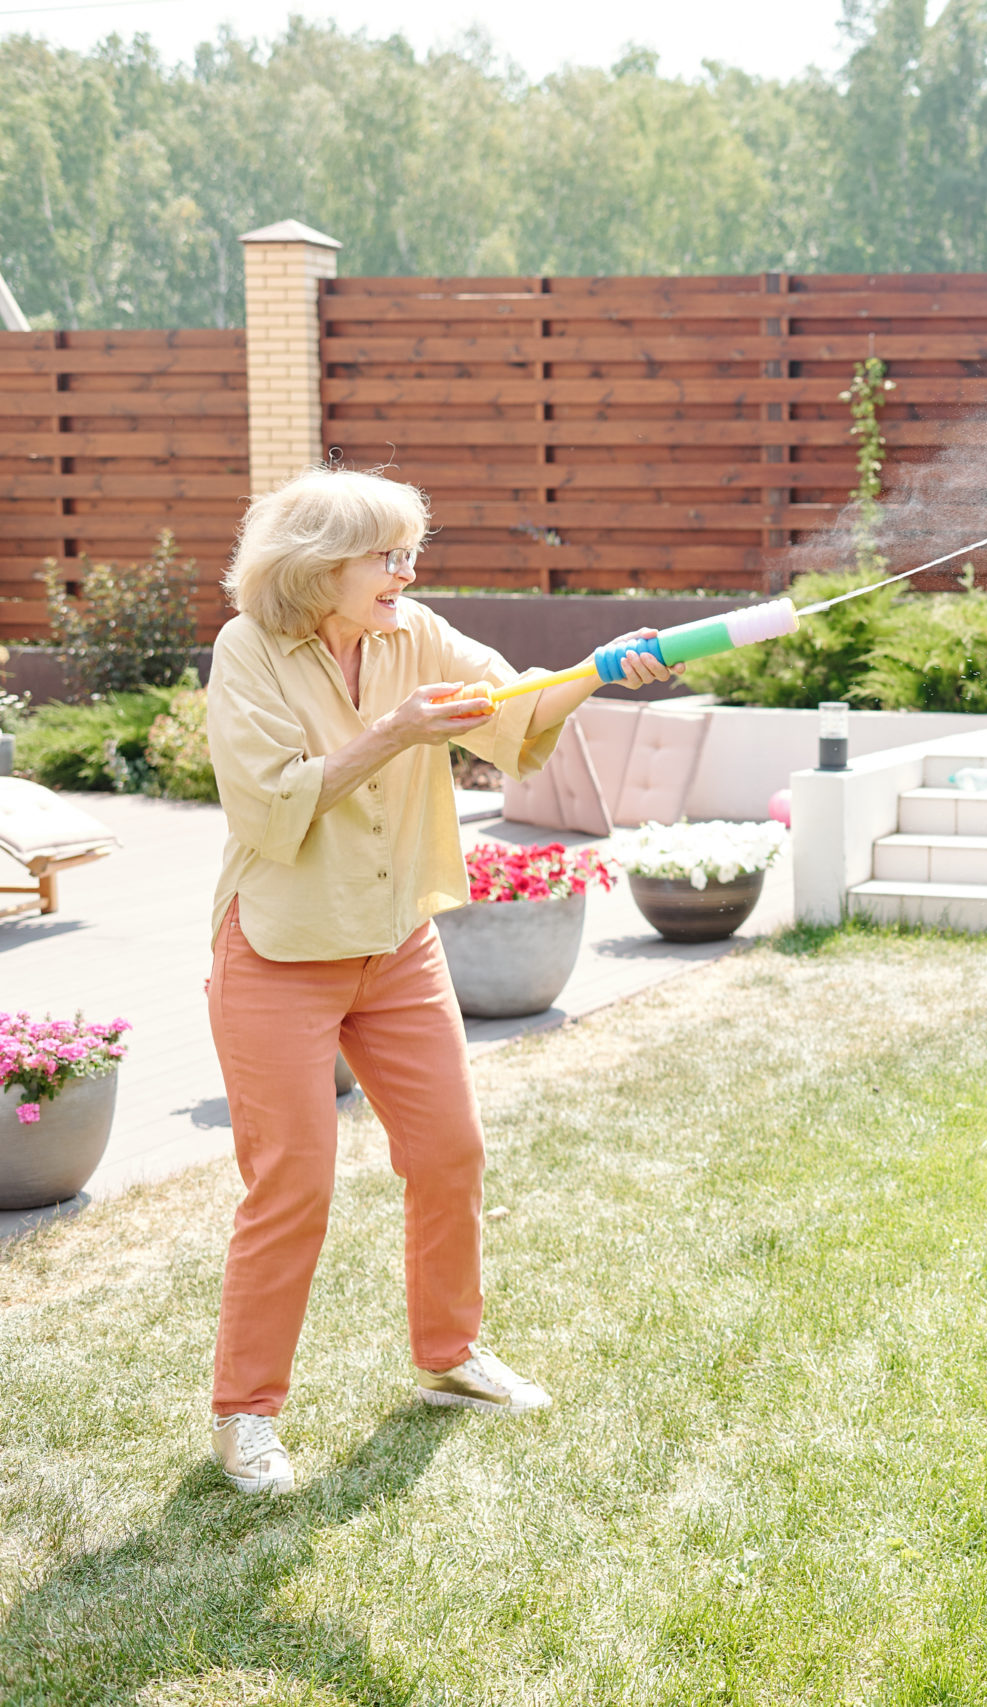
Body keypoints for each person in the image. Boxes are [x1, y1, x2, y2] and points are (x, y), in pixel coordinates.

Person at [204, 468, 676, 1496]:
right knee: (294, 1182)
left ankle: (449, 1357)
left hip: (396, 942)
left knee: (451, 1152)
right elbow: (271, 808)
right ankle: (244, 1414)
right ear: (318, 566)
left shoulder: (414, 631)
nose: (408, 572)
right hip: (282, 948)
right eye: (388, 554)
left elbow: (510, 709)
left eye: (411, 552)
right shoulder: (247, 652)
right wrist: (395, 733)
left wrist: (597, 670)